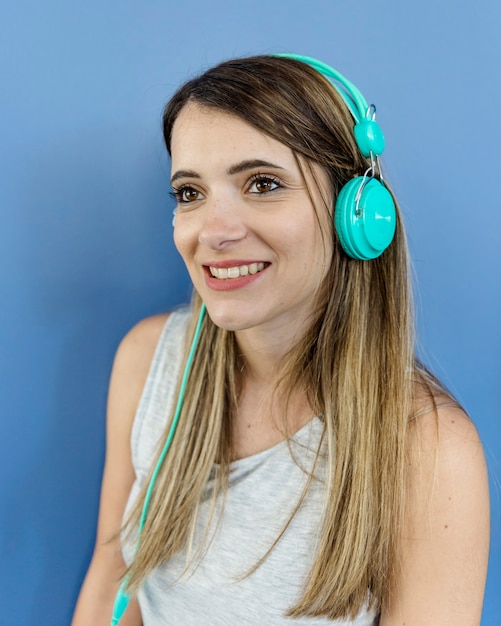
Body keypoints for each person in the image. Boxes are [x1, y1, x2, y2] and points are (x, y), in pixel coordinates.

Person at [71, 54, 490, 626]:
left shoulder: (429, 449)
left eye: (262, 184)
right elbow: (112, 576)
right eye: (189, 193)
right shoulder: (148, 360)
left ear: (357, 214)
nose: (214, 232)